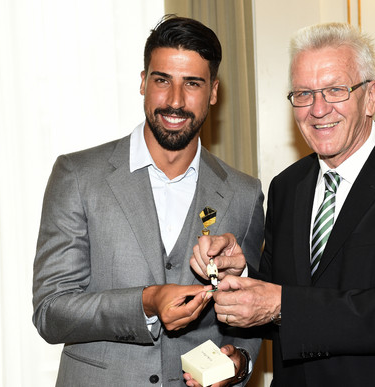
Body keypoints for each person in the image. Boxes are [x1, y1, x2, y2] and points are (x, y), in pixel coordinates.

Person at [191, 22, 375, 386]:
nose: (318, 109)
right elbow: (283, 298)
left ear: (370, 96)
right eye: (304, 94)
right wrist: (240, 276)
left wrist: (280, 306)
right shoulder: (287, 187)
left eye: (335, 90)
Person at [32, 15, 264, 387]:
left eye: (192, 83)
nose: (175, 101)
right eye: (162, 80)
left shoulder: (245, 193)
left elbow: (250, 317)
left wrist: (240, 364)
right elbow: (50, 312)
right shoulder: (77, 176)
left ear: (214, 92)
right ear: (143, 83)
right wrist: (147, 301)